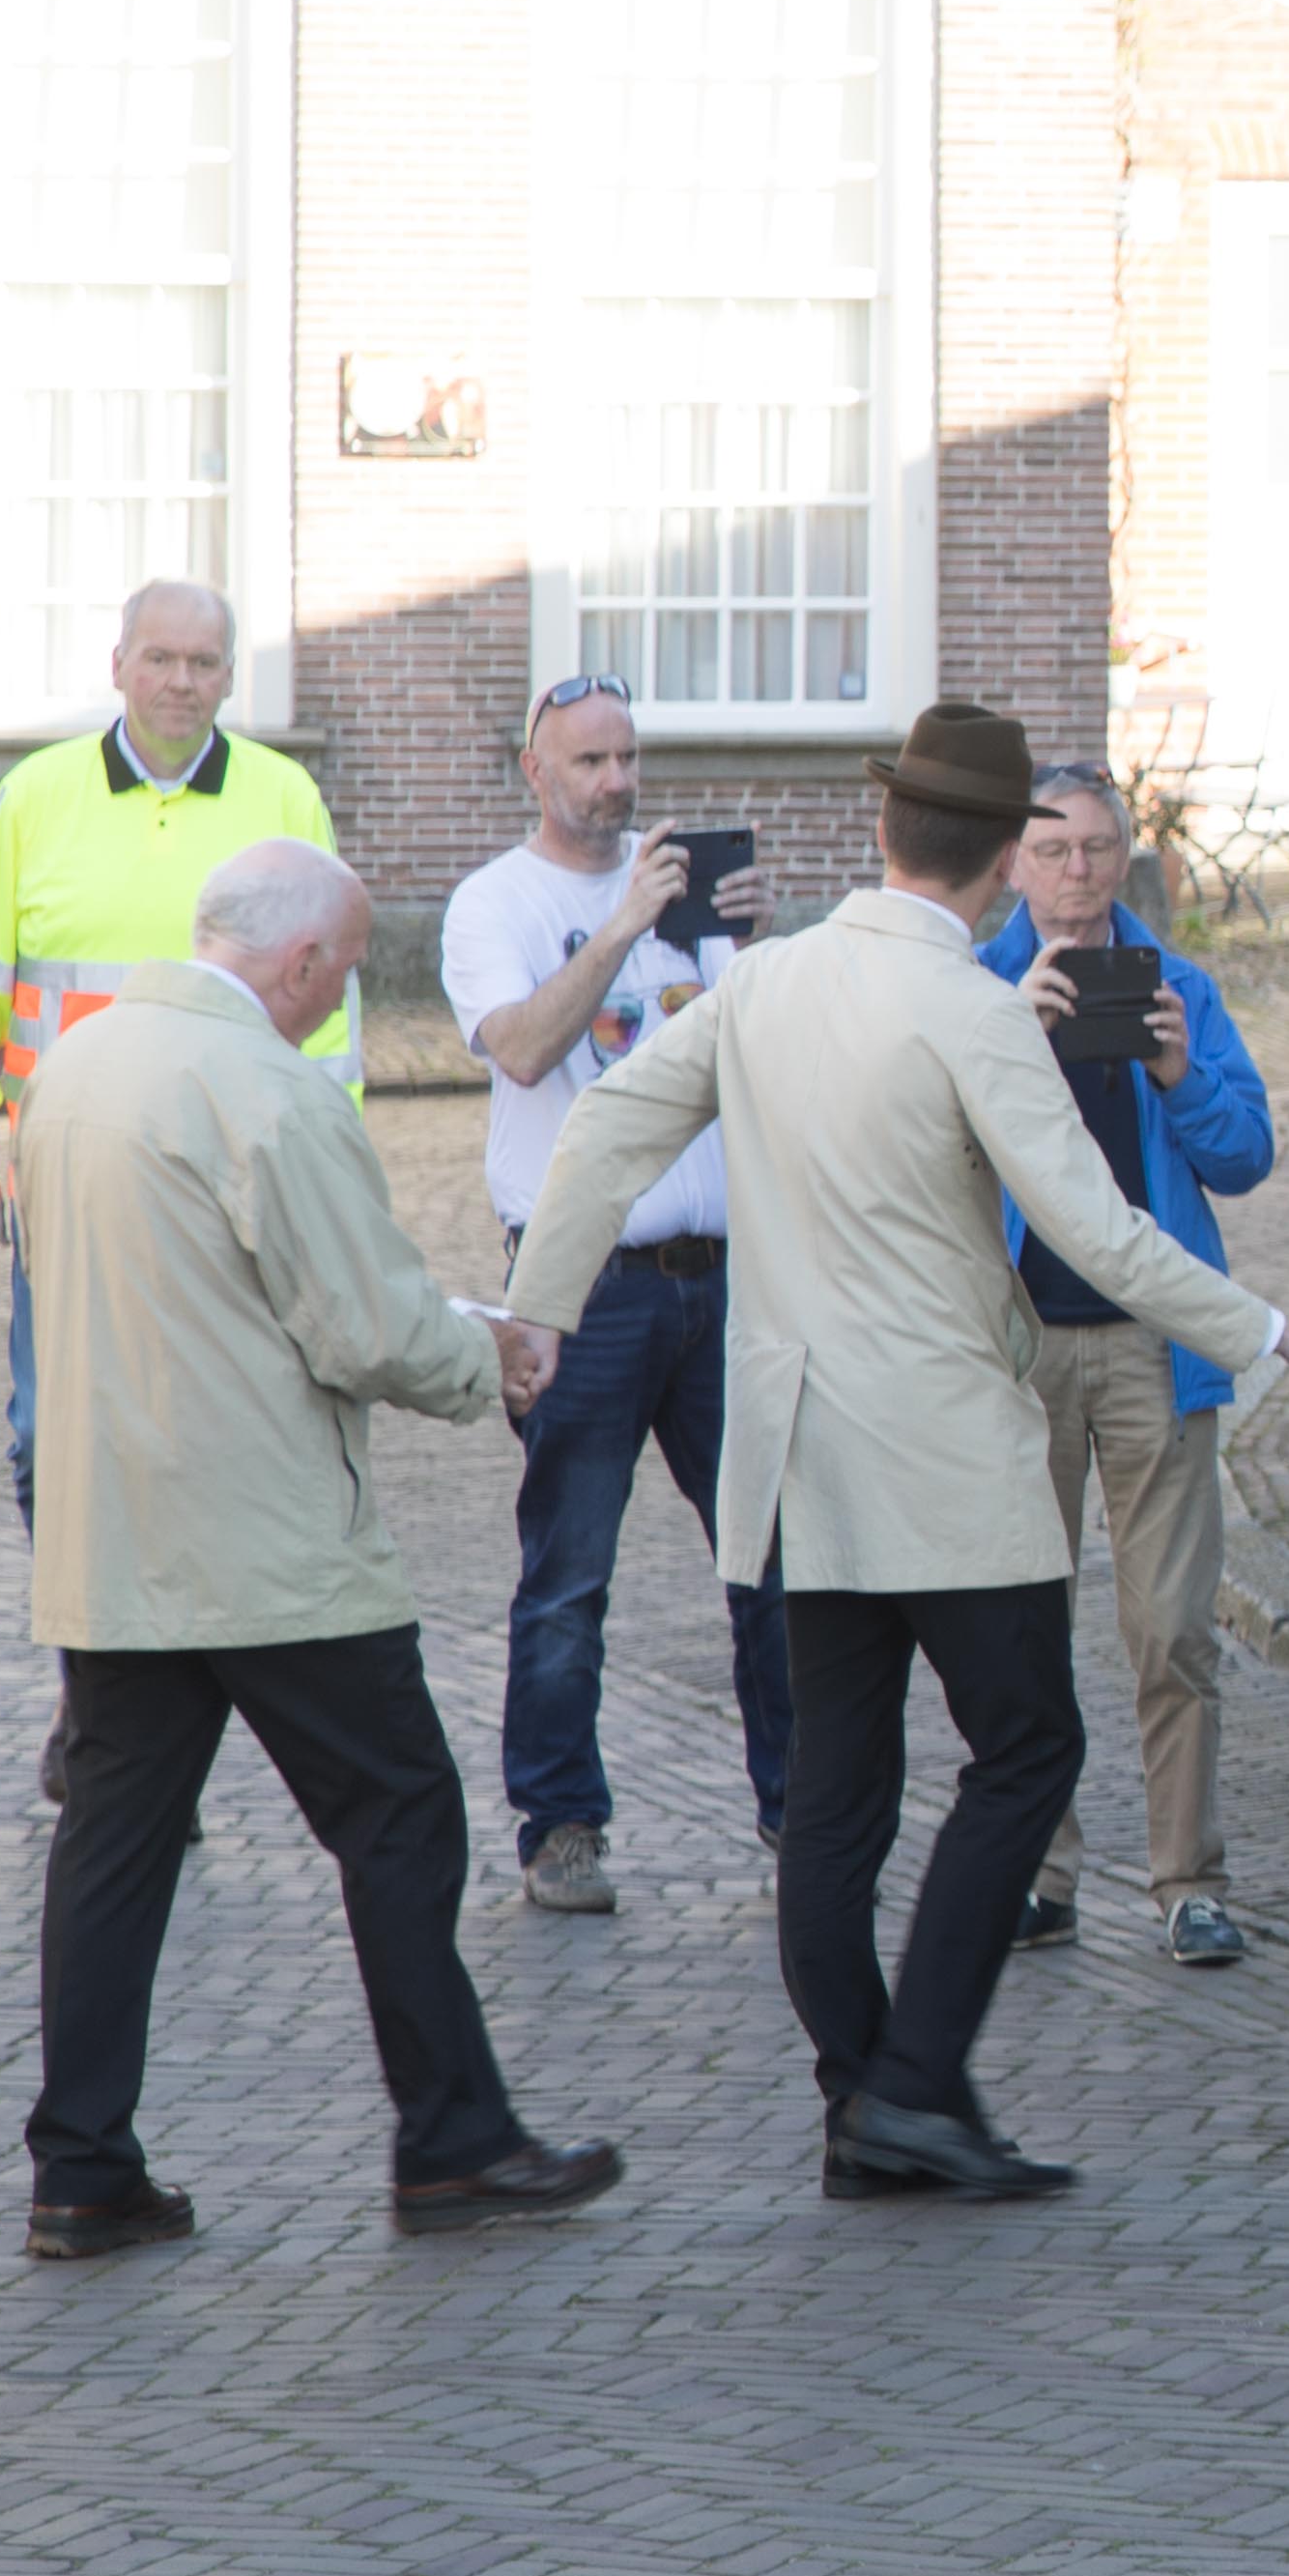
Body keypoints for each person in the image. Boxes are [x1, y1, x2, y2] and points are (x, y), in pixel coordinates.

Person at [507, 704, 1289, 2202]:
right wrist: (1284, 1336)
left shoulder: (765, 981)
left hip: (797, 1456)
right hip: (944, 1460)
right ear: (998, 867)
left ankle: (866, 2097)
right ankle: (912, 2086)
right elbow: (1099, 1231)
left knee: (840, 1792)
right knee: (1031, 1745)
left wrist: (535, 1314)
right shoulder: (976, 1013)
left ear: (882, 831)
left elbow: (596, 1138)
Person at [18, 837, 626, 2260]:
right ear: (297, 964)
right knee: (402, 1819)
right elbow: (358, 1324)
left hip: (119, 1539)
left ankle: (81, 2166)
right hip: (272, 1544)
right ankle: (454, 2139)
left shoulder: (75, 1072)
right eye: (346, 972)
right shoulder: (272, 1092)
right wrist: (494, 1365)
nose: (341, 996)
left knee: (111, 1855)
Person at [440, 673, 789, 1908]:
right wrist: (627, 927)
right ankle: (560, 1825)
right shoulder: (496, 902)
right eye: (589, 761)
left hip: (720, 1278)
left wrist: (745, 942)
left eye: (629, 757)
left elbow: (760, 1066)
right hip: (581, 1286)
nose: (616, 782)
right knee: (570, 1572)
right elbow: (529, 1046)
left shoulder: (688, 904)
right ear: (535, 771)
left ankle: (802, 1811)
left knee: (770, 1554)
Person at [978, 767, 1276, 1966]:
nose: (1080, 873)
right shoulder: (976, 990)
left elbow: (1248, 1152)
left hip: (1158, 1352)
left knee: (1172, 1627)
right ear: (1013, 862)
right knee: (1019, 1625)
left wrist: (1177, 1072)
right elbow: (933, 1148)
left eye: (1101, 849)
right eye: (1054, 851)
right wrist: (1017, 1039)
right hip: (1019, 1350)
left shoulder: (1182, 986)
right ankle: (1038, 1876)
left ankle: (1187, 1881)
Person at [0, 579, 340, 1503]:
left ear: (230, 678)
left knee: (221, 1429)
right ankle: (92, 1645)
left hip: (236, 1175)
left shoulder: (286, 796)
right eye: (159, 658)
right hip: (67, 1174)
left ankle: (181, 1641)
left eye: (203, 662)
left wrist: (332, 1155)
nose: (180, 681)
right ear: (118, 668)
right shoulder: (32, 797)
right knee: (46, 1439)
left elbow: (328, 1004)